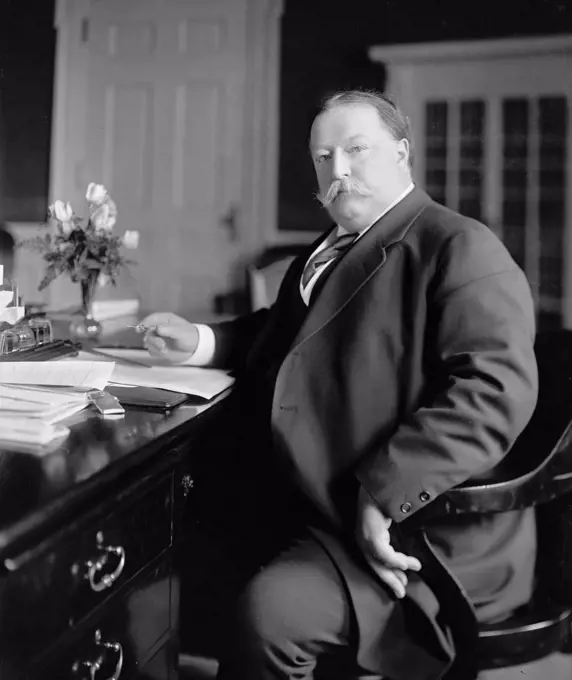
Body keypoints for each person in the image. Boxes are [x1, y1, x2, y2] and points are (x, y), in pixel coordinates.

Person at [142, 90, 538, 680]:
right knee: (173, 566)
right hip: (322, 499)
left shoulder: (459, 244)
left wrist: (383, 491)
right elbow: (284, 337)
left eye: (357, 150)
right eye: (323, 157)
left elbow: (493, 391)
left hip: (421, 530)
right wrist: (200, 341)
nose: (339, 170)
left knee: (267, 614)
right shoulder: (326, 251)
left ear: (402, 152)